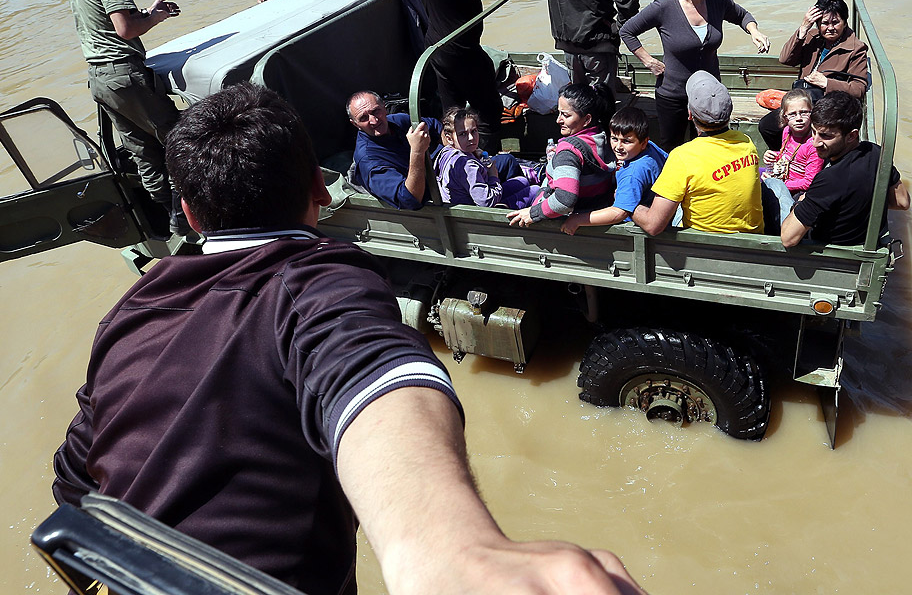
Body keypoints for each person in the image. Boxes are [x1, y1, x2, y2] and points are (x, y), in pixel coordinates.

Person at [52, 83, 647, 595]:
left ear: (189, 212)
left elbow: (73, 485)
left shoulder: (129, 312)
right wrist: (450, 553)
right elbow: (370, 375)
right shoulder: (319, 280)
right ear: (319, 187)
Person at [65, 0, 185, 233]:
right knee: (180, 139)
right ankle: (184, 213)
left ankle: (167, 218)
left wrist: (146, 11)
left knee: (142, 151)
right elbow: (125, 30)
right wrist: (157, 18)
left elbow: (105, 24)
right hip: (125, 73)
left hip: (100, 79)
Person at [405, 0, 536, 154]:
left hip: (436, 48)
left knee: (451, 113)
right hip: (460, 51)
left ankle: (452, 160)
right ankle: (487, 161)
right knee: (488, 110)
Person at [619, 0, 772, 149]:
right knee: (671, 147)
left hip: (710, 95)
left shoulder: (717, 1)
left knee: (708, 147)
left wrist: (754, 31)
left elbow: (743, 15)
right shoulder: (663, 7)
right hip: (673, 94)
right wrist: (649, 61)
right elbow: (627, 31)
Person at [633, 71, 764, 235]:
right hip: (751, 239)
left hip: (704, 247)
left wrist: (630, 204)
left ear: (689, 114)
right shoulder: (746, 142)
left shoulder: (682, 156)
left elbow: (653, 225)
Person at [348, 90, 521, 210]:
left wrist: (463, 152)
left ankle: (507, 201)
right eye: (363, 118)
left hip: (443, 174)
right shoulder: (369, 160)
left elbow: (437, 127)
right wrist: (417, 152)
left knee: (506, 162)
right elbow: (410, 199)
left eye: (376, 111)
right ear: (354, 124)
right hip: (432, 197)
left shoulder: (397, 121)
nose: (373, 120)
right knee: (498, 172)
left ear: (384, 108)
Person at [781, 91, 908, 248]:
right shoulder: (876, 152)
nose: (815, 143)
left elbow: (788, 239)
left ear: (851, 136)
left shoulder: (830, 179)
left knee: (774, 187)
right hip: (863, 242)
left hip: (825, 249)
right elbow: (902, 202)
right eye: (813, 132)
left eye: (825, 136)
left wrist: (803, 202)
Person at [759, 0, 869, 150]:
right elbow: (785, 59)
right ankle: (786, 156)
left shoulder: (855, 48)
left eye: (836, 22)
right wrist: (803, 28)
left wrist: (826, 83)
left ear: (845, 22)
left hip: (827, 107)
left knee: (814, 136)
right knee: (767, 126)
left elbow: (858, 89)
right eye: (824, 23)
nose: (830, 28)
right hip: (803, 101)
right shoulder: (812, 36)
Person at [507, 81, 615, 228]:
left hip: (563, 224)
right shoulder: (605, 137)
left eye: (566, 115)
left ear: (587, 119)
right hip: (594, 215)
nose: (558, 120)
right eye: (559, 113)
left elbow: (565, 199)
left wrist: (533, 213)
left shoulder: (569, 151)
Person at [560, 106, 667, 235]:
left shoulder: (632, 173)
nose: (618, 147)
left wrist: (577, 220)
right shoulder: (651, 149)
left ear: (644, 142)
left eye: (627, 141)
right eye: (614, 139)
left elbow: (619, 213)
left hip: (632, 226)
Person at [434, 106, 538, 209]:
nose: (471, 138)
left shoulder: (446, 152)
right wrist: (493, 176)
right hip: (475, 214)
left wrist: (475, 155)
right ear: (449, 138)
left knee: (522, 181)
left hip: (460, 204)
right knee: (535, 190)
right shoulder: (467, 165)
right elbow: (486, 202)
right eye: (463, 134)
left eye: (474, 131)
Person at [760, 88, 824, 196]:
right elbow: (786, 157)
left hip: (797, 192)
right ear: (784, 117)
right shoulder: (787, 131)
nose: (799, 118)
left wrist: (782, 183)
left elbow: (809, 182)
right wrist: (772, 156)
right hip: (783, 179)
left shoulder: (813, 144)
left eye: (804, 112)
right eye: (792, 114)